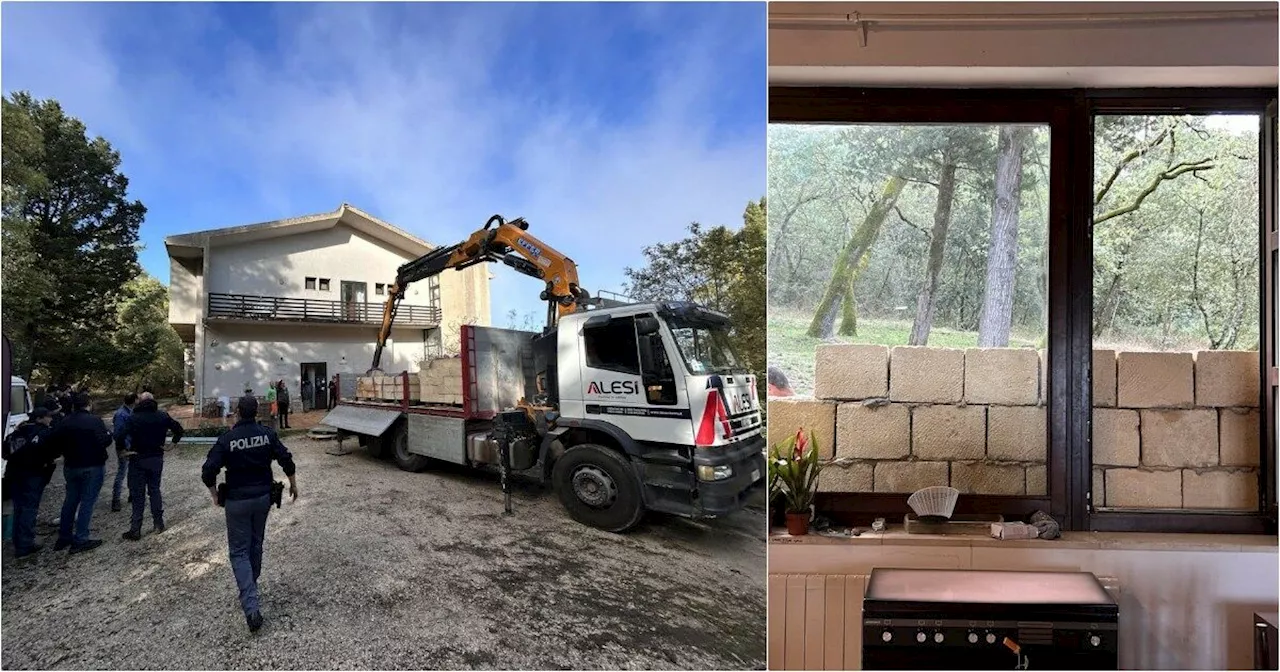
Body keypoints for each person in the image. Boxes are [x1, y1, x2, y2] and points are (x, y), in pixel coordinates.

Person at [201, 395, 298, 632]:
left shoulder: (228, 439)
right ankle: (251, 587)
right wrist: (293, 484)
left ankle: (251, 605)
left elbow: (208, 471)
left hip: (237, 501)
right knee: (256, 544)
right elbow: (286, 459)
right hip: (262, 499)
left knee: (238, 551)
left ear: (237, 412)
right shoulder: (267, 434)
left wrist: (214, 494)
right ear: (256, 412)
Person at [47, 392, 113, 553]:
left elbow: (53, 440)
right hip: (92, 465)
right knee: (87, 502)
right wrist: (109, 435)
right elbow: (104, 441)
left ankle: (64, 536)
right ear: (88, 404)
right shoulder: (94, 421)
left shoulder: (65, 421)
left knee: (70, 501)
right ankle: (81, 538)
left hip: (71, 466)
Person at [117, 392, 184, 540]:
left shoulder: (133, 417)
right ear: (153, 401)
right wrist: (172, 444)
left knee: (138, 494)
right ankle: (158, 524)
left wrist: (123, 450)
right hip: (156, 457)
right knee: (154, 490)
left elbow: (120, 435)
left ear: (140, 402)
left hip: (138, 458)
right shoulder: (162, 415)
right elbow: (179, 429)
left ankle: (136, 529)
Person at [4, 408, 58, 558]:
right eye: (48, 417)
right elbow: (54, 452)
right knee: (29, 508)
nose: (51, 420)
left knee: (19, 508)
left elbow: (5, 451)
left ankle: (18, 541)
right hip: (34, 474)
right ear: (41, 418)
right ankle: (26, 544)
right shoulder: (45, 433)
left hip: (14, 475)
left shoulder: (17, 432)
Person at [110, 393, 137, 512]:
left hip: (132, 445)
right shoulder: (121, 414)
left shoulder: (131, 412)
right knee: (121, 472)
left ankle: (132, 495)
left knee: (133, 471)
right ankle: (116, 499)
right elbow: (118, 434)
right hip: (124, 447)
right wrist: (123, 448)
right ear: (134, 400)